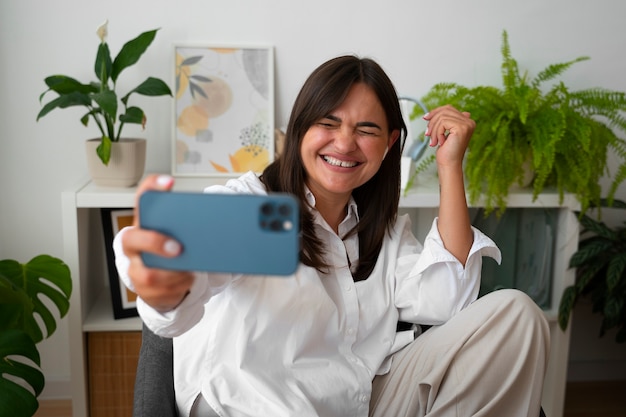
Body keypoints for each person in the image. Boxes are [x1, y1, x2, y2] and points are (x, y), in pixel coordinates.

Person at [114, 55, 549, 417]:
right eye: (328, 122)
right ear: (300, 128)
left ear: (390, 142)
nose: (344, 143)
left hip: (360, 400)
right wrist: (164, 284)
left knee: (516, 314)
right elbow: (187, 264)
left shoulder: (382, 229)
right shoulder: (255, 208)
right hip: (260, 404)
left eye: (366, 130)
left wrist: (449, 166)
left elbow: (449, 302)